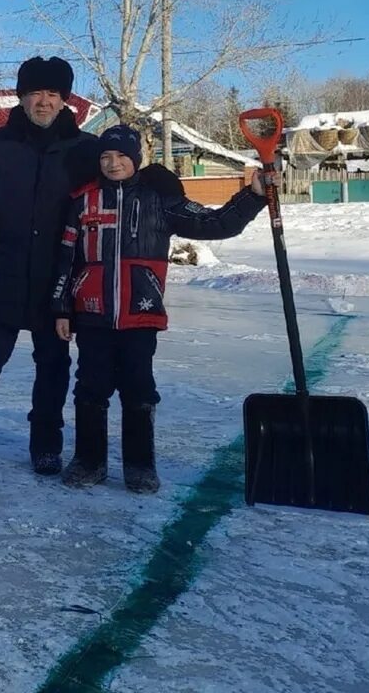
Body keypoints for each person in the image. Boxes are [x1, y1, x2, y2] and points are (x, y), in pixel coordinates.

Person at [53, 125, 269, 493]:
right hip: (92, 313)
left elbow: (216, 223)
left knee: (139, 388)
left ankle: (140, 466)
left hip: (141, 312)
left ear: (136, 160)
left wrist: (253, 195)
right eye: (106, 157)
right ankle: (89, 461)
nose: (113, 163)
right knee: (91, 388)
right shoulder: (83, 200)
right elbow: (65, 258)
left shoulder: (160, 199)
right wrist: (61, 307)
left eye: (122, 156)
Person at [0, 56, 98, 478]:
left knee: (53, 365)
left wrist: (154, 181)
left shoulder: (85, 149)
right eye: (34, 93)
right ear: (21, 97)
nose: (42, 102)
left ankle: (46, 445)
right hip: (2, 271)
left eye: (52, 94)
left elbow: (116, 188)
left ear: (64, 101)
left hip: (57, 278)